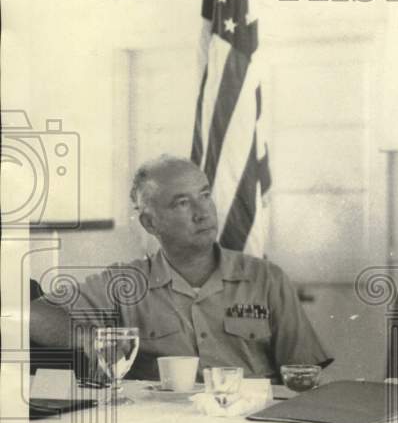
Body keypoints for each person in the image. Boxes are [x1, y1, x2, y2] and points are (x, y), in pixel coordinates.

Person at [30, 156, 333, 383]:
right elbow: (29, 317)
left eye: (204, 195)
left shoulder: (266, 279)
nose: (203, 213)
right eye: (182, 203)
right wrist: (84, 337)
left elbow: (303, 373)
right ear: (150, 223)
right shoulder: (125, 282)